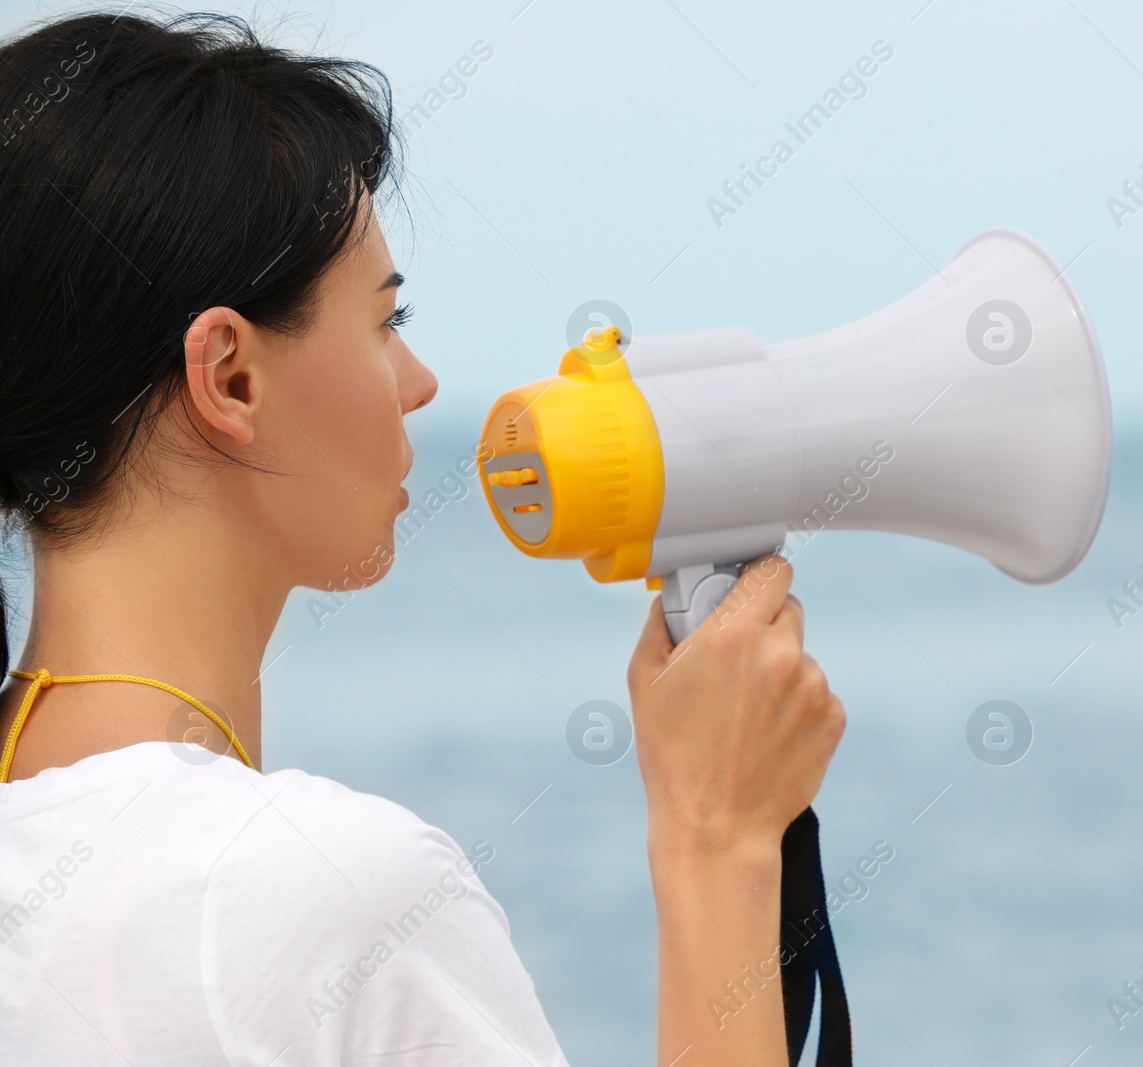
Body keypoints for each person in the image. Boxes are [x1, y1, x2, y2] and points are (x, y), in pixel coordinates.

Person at [0, 11, 844, 1065]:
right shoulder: (329, 891)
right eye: (385, 320)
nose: (420, 384)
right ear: (230, 376)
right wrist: (720, 836)